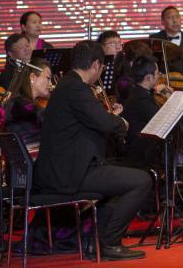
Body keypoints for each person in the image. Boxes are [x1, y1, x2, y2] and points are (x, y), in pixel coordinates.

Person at [34, 41, 150, 261]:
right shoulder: (76, 88)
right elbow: (104, 122)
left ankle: (95, 240)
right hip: (69, 173)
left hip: (67, 168)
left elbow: (93, 118)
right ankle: (109, 243)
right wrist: (123, 123)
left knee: (124, 178)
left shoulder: (67, 85)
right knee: (142, 180)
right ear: (96, 64)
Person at [121, 55, 171, 170]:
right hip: (143, 156)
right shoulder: (140, 99)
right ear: (149, 77)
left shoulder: (140, 93)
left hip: (148, 149)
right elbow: (162, 122)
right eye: (157, 73)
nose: (160, 76)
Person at [4, 58, 52, 155]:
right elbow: (44, 117)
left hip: (36, 156)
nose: (51, 84)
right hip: (26, 159)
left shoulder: (27, 102)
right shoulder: (18, 103)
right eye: (48, 78)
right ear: (32, 77)